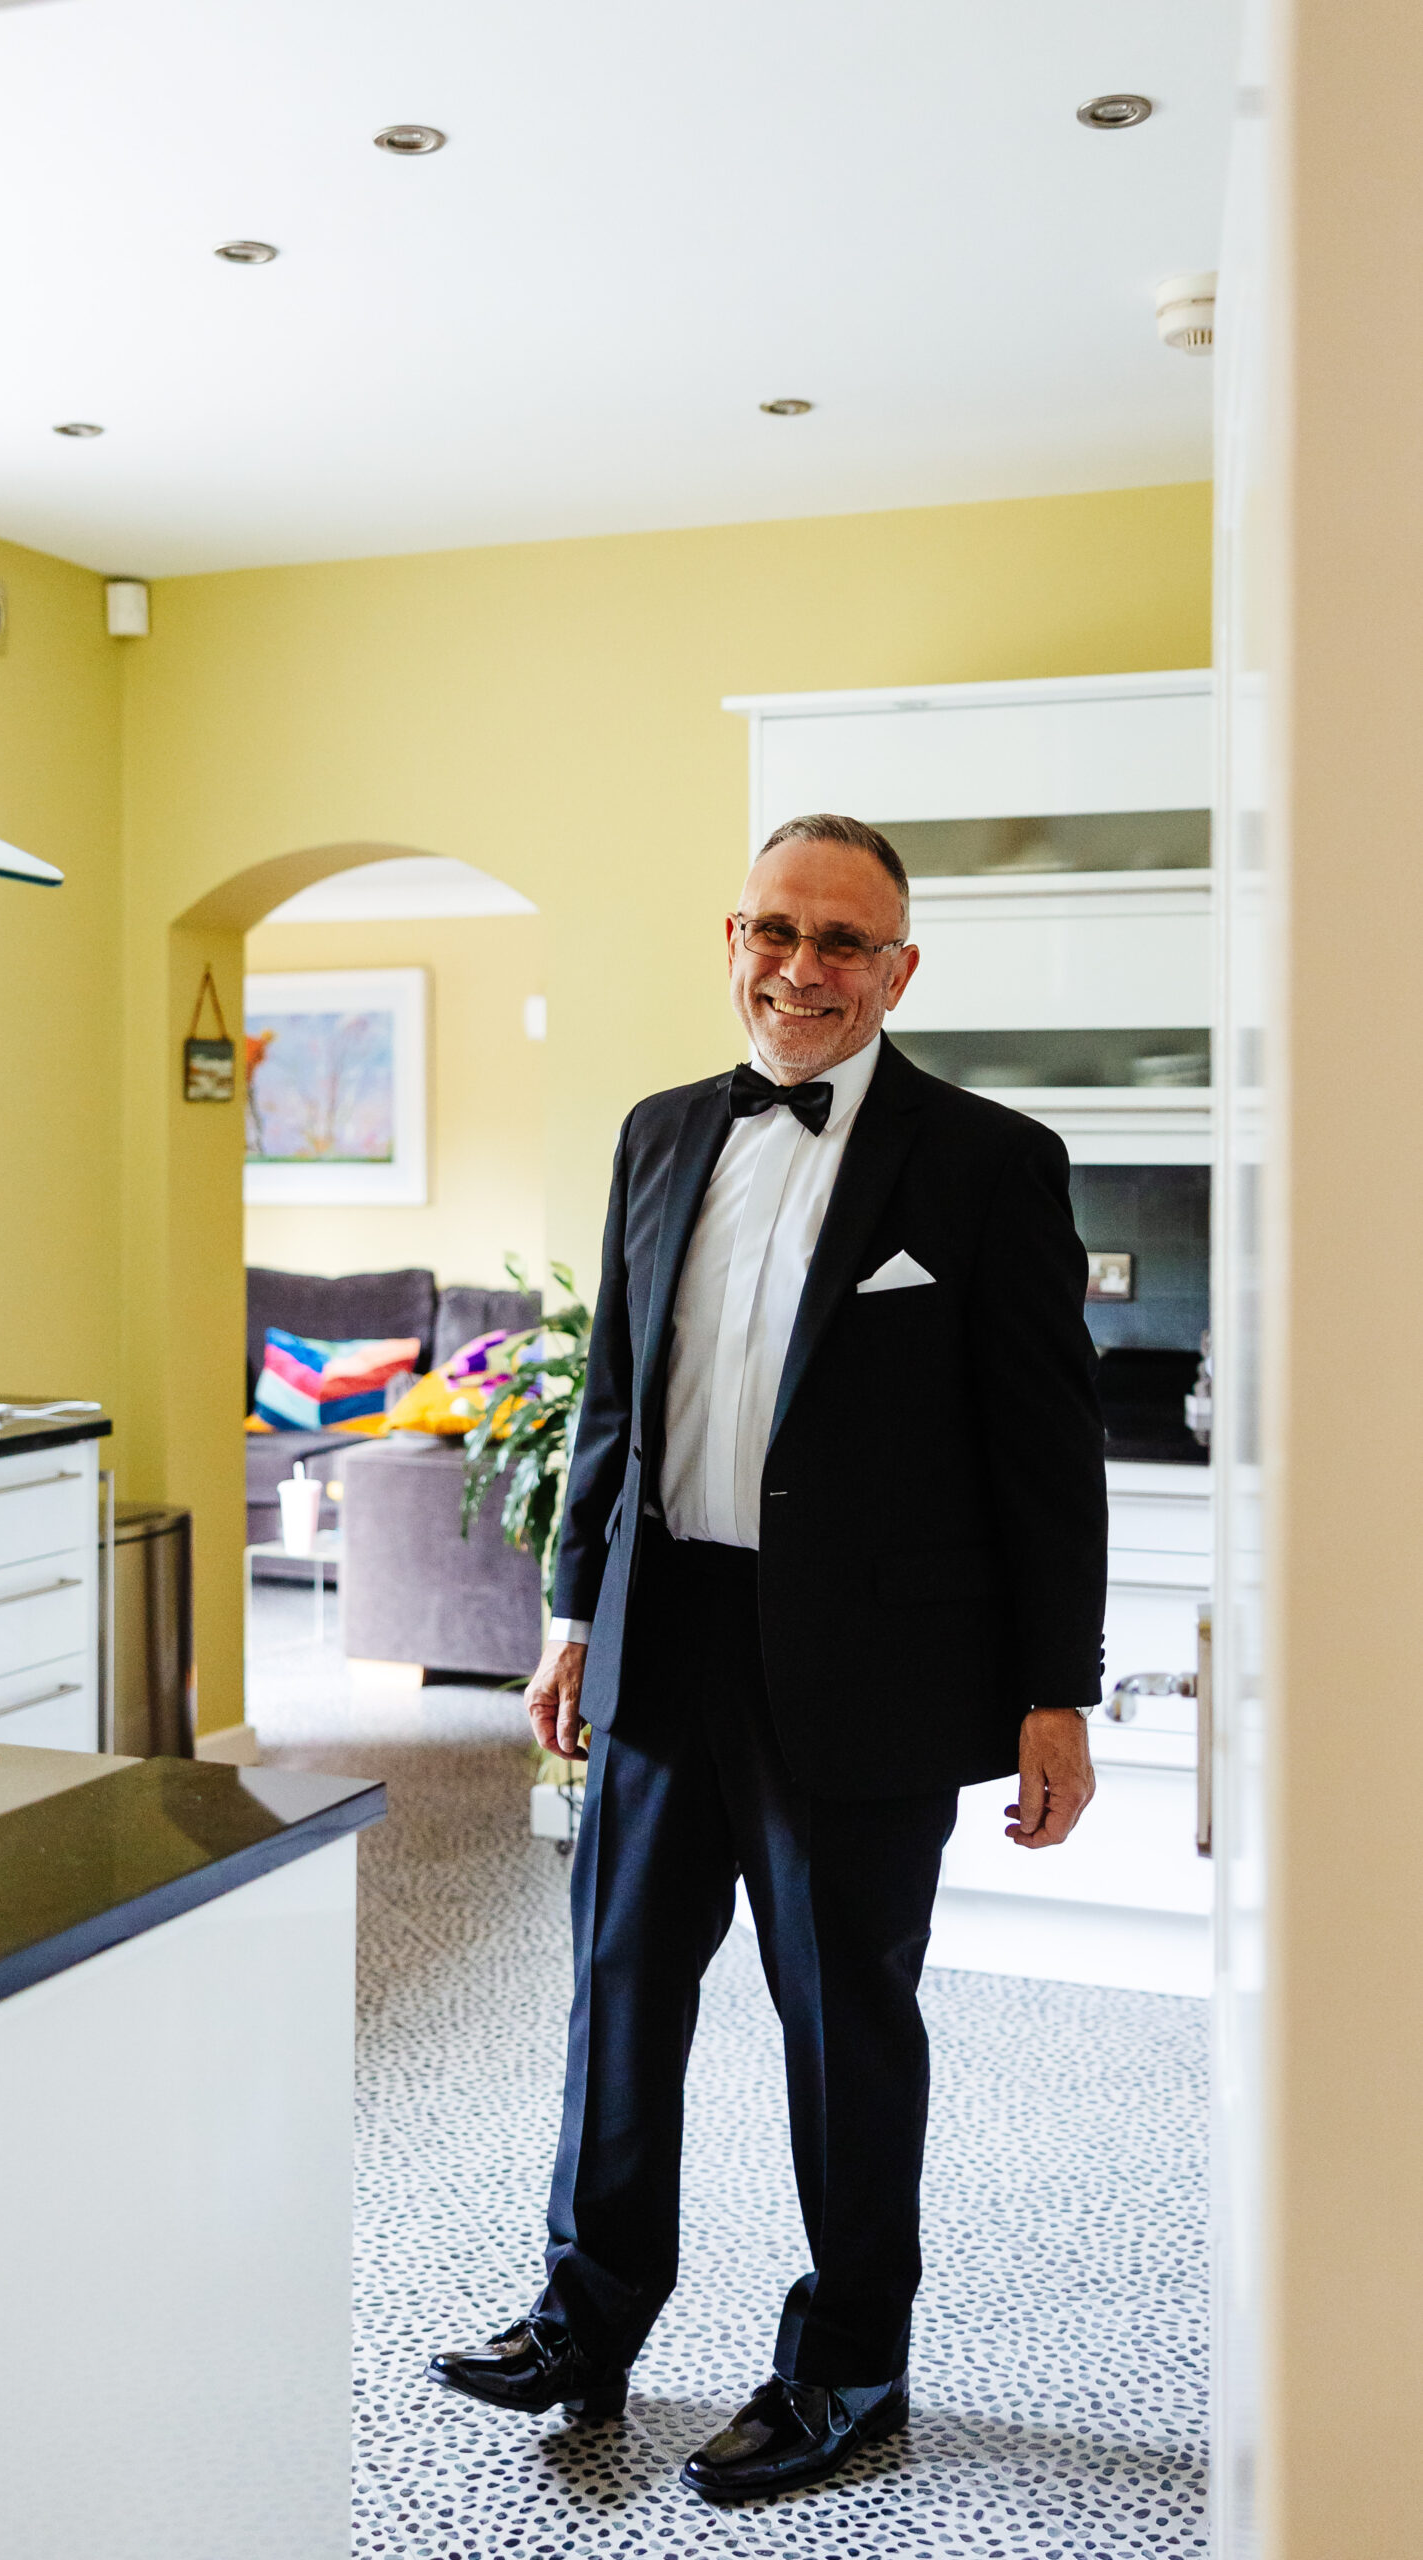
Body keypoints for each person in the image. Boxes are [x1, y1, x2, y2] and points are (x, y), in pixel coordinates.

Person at [428, 813, 1107, 2505]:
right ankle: (590, 2314)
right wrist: (574, 1609)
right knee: (618, 1990)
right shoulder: (662, 1136)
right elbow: (613, 1408)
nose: (802, 969)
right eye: (776, 931)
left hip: (868, 1671)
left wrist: (1056, 1690)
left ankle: (849, 2366)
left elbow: (1047, 1450)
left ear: (900, 970)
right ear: (731, 936)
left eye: (843, 943)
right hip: (665, 1639)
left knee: (841, 2022)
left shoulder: (986, 1161)